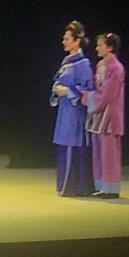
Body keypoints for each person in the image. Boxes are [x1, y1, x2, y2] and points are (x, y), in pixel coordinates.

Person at [51, 20, 96, 196]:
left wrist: (69, 91)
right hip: (65, 111)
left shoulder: (83, 64)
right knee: (63, 145)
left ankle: (75, 186)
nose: (63, 41)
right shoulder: (67, 61)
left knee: (73, 145)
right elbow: (59, 79)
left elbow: (89, 89)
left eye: (67, 39)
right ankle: (63, 185)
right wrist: (56, 88)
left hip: (75, 112)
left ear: (77, 41)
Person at [83, 32, 125, 199]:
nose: (97, 48)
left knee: (109, 153)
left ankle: (111, 188)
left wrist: (87, 97)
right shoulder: (101, 65)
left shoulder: (116, 67)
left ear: (110, 47)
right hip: (99, 115)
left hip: (110, 115)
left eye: (100, 45)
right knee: (99, 152)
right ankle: (102, 186)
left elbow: (108, 93)